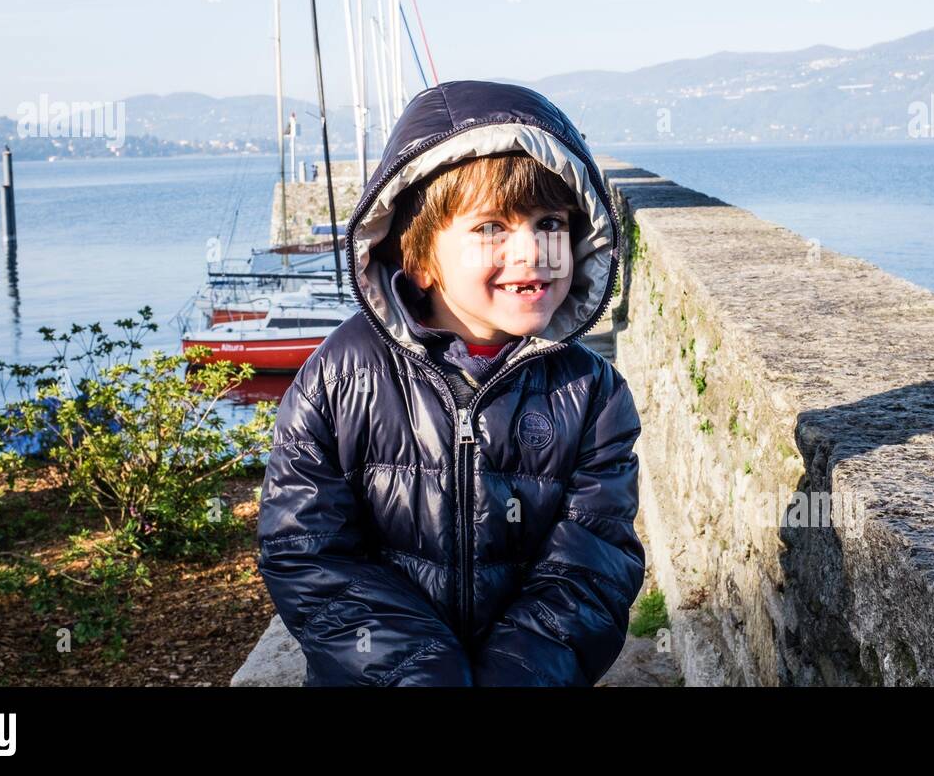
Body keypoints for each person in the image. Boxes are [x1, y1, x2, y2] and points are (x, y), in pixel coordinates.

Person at [257, 79, 644, 686]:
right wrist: (421, 672)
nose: (533, 251)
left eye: (550, 222)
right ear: (418, 256)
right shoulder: (339, 377)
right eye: (492, 227)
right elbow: (306, 549)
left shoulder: (592, 395)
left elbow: (592, 565)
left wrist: (517, 673)